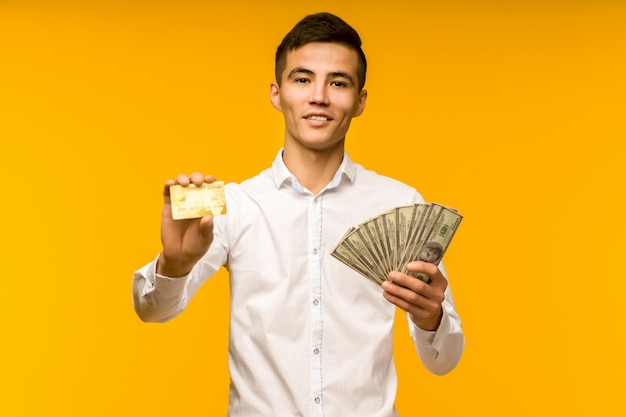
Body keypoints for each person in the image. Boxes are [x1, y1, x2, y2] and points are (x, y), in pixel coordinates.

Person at [133, 12, 464, 417]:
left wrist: (431, 317)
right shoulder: (232, 204)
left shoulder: (401, 203)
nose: (319, 96)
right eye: (302, 79)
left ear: (359, 101)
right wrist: (174, 264)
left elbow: (444, 360)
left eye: (338, 82)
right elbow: (153, 310)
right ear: (277, 93)